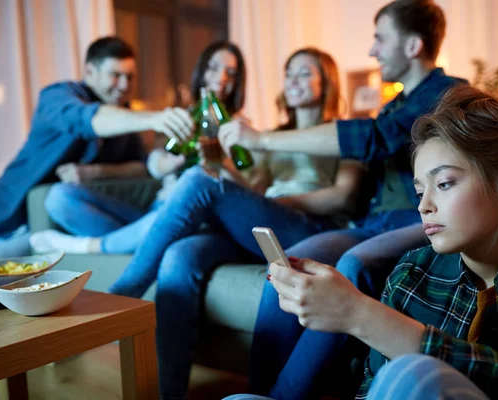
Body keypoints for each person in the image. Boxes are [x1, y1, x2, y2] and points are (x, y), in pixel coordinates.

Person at [226, 85, 498, 400]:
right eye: (419, 190)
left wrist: (359, 314)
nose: (424, 204)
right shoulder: (411, 273)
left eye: (445, 183)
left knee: (419, 375)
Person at [109, 47, 366, 400]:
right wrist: (224, 170)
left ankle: (121, 296)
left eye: (305, 73)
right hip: (264, 225)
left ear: (328, 81)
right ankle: (170, 394)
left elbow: (343, 197)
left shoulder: (343, 134)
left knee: (198, 184)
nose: (293, 79)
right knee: (180, 254)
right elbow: (254, 189)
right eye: (289, 72)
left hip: (310, 227)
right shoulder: (273, 135)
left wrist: (271, 204)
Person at [241, 1, 467, 398]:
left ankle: (282, 395)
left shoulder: (451, 94)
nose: (372, 50)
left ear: (413, 46)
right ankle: (257, 393)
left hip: (415, 219)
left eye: (380, 38)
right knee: (288, 262)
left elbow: (376, 139)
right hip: (370, 222)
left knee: (354, 264)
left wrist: (260, 139)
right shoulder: (393, 104)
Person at [29, 41, 247, 254]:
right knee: (59, 197)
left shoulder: (242, 128)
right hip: (156, 208)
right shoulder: (178, 117)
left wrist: (222, 163)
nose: (221, 77)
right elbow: (152, 165)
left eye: (231, 72)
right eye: (213, 67)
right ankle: (134, 244)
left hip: (187, 214)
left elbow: (253, 189)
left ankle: (89, 246)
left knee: (172, 219)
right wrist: (171, 163)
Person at [0, 36, 193, 258]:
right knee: (58, 198)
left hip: (58, 224)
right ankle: (140, 245)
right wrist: (153, 119)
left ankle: (137, 244)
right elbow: (90, 120)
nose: (125, 85)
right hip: (8, 223)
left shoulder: (122, 116)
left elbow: (142, 166)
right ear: (90, 72)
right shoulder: (57, 96)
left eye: (130, 77)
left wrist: (94, 172)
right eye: (115, 75)